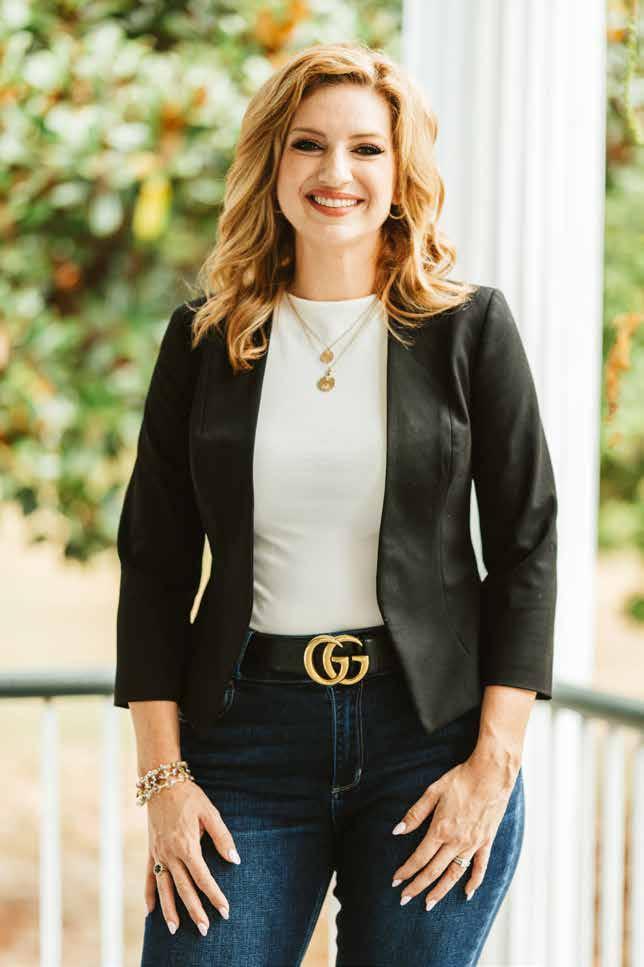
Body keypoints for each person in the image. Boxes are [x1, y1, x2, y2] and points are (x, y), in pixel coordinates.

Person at [114, 42, 558, 967]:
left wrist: (493, 765)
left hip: (429, 744)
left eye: (366, 148)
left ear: (401, 172)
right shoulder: (204, 340)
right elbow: (154, 565)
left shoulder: (469, 329)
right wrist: (162, 778)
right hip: (243, 743)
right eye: (309, 145)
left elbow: (528, 547)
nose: (336, 173)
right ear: (273, 163)